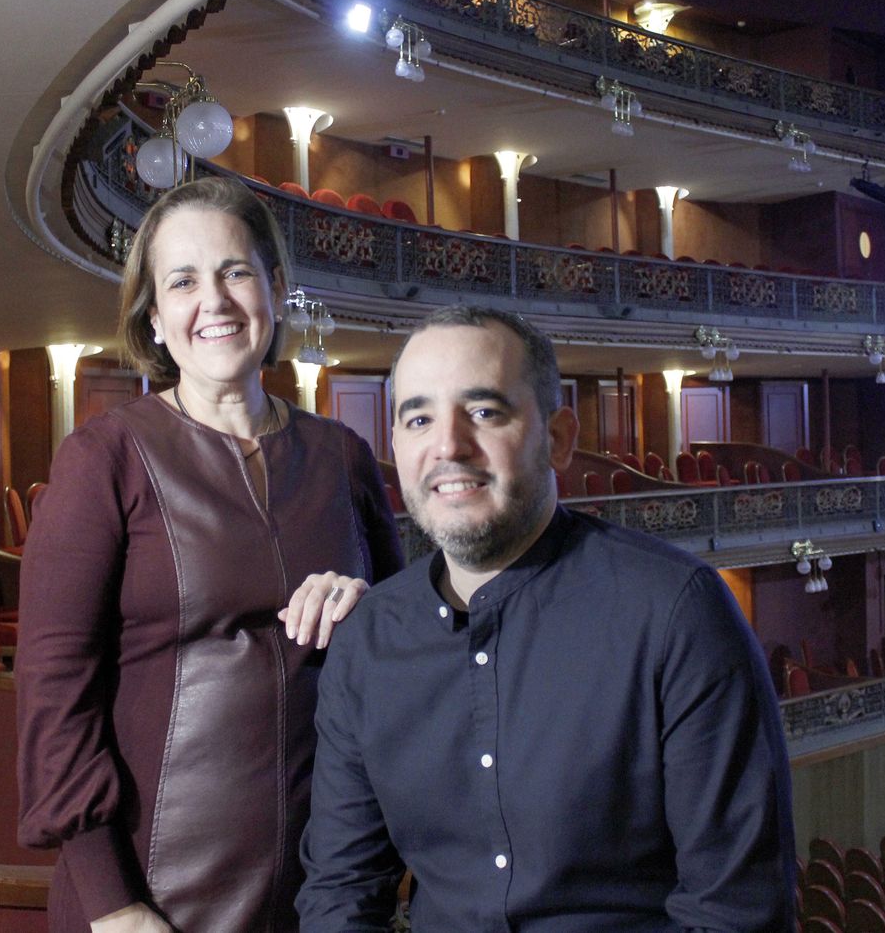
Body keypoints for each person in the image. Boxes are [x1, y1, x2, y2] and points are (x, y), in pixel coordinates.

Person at [297, 305, 796, 932]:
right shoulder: (367, 643)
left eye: (484, 412)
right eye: (418, 418)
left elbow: (737, 912)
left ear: (558, 439)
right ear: (396, 445)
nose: (448, 445)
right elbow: (340, 892)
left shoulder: (675, 613)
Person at [17, 177, 404, 933]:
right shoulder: (105, 459)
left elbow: (412, 649)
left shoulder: (343, 456)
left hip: (330, 881)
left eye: (234, 272)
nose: (215, 302)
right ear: (155, 317)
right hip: (155, 890)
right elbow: (51, 688)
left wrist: (369, 609)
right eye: (183, 281)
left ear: (276, 289)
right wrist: (112, 901)